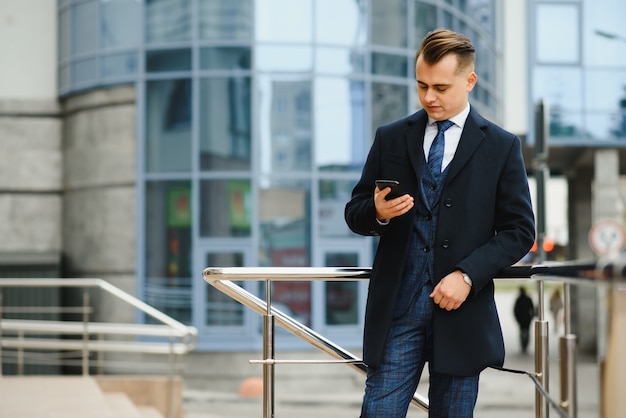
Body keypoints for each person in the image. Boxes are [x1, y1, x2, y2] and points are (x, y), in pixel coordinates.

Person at [344, 29, 536, 417]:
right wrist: (378, 213)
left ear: (469, 82)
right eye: (421, 86)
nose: (429, 97)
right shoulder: (391, 137)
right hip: (399, 310)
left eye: (441, 87)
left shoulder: (501, 146)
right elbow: (355, 211)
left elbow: (519, 231)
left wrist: (467, 275)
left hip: (461, 315)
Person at [513, 286, 535, 353]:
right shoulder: (528, 299)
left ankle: (523, 345)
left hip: (521, 319)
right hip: (527, 319)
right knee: (527, 332)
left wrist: (517, 318)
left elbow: (515, 310)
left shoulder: (518, 300)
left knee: (521, 332)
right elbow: (532, 309)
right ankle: (526, 344)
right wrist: (531, 318)